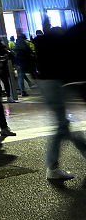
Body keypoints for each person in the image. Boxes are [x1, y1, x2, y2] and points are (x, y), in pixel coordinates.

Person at [38, 11, 86, 179]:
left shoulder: (44, 42)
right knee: (62, 127)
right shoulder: (54, 41)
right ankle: (52, 167)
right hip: (54, 85)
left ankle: (52, 167)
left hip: (50, 84)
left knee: (63, 126)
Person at [14, 31, 35, 96]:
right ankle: (30, 84)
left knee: (21, 75)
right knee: (32, 73)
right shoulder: (24, 43)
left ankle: (23, 90)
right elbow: (28, 51)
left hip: (19, 61)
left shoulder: (17, 44)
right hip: (25, 61)